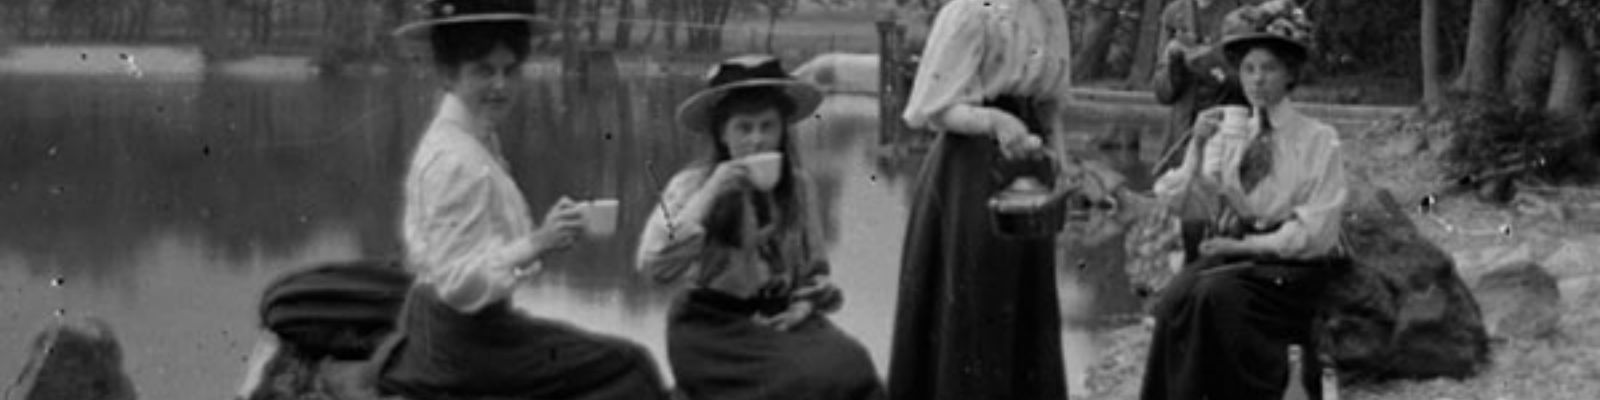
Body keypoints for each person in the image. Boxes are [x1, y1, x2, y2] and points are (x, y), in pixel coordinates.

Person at [372, 1, 667, 399]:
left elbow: (478, 248)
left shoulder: (474, 138)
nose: (501, 85)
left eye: (510, 71)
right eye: (483, 71)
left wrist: (550, 234)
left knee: (617, 358)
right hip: (457, 345)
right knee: (629, 367)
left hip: (469, 332)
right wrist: (538, 242)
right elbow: (457, 285)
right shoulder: (457, 159)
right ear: (447, 74)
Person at [636, 54, 884, 400]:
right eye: (744, 128)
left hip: (783, 317)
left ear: (783, 130)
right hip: (711, 326)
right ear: (723, 133)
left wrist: (804, 306)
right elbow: (654, 265)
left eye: (767, 126)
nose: (757, 140)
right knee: (802, 383)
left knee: (854, 366)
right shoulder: (691, 185)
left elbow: (814, 272)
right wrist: (712, 191)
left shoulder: (798, 187)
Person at [1139, 2, 1347, 399]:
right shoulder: (1232, 130)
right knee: (1174, 301)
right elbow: (1185, 202)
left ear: (1290, 74)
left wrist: (1245, 244)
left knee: (1214, 297)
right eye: (1249, 69)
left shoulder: (1318, 140)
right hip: (1236, 259)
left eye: (1269, 69)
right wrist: (1198, 148)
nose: (1257, 80)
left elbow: (1316, 232)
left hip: (1290, 266)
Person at [888, 0, 1074, 399]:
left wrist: (1062, 160)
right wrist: (995, 121)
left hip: (1030, 159)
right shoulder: (971, 12)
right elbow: (937, 111)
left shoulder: (1049, 11)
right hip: (970, 168)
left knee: (1027, 304)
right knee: (976, 300)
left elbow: (1052, 101)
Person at [1151, 0, 1251, 174]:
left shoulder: (1244, 13)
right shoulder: (1175, 13)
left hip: (1228, 138)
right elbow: (1163, 94)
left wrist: (1206, 62)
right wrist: (1174, 63)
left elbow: (1252, 85)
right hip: (1180, 141)